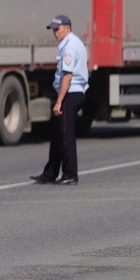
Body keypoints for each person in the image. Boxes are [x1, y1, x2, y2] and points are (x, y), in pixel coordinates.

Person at [30, 15, 89, 186]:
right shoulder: (70, 43)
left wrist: (59, 101)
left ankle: (70, 174)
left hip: (72, 93)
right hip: (70, 92)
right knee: (57, 133)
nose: (55, 32)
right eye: (53, 29)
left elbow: (67, 77)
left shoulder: (70, 46)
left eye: (58, 28)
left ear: (68, 28)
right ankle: (50, 173)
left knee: (65, 135)